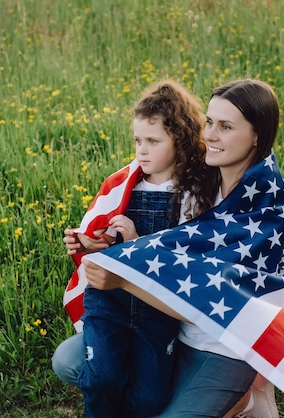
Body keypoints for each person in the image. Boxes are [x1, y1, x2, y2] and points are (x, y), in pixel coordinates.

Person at [80, 79, 284, 418]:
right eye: (209, 122)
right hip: (173, 330)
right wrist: (105, 241)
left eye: (225, 126)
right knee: (74, 363)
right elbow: (163, 250)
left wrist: (123, 278)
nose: (209, 135)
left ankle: (249, 393)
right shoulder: (196, 178)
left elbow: (210, 301)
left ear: (257, 135)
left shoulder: (265, 212)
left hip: (224, 344)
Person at [57, 79, 216, 418]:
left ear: (180, 140)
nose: (141, 150)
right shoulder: (123, 184)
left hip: (157, 309)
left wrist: (134, 244)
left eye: (153, 141)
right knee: (102, 378)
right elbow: (102, 237)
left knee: (147, 400)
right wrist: (88, 242)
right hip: (111, 302)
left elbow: (185, 259)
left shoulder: (193, 194)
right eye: (137, 141)